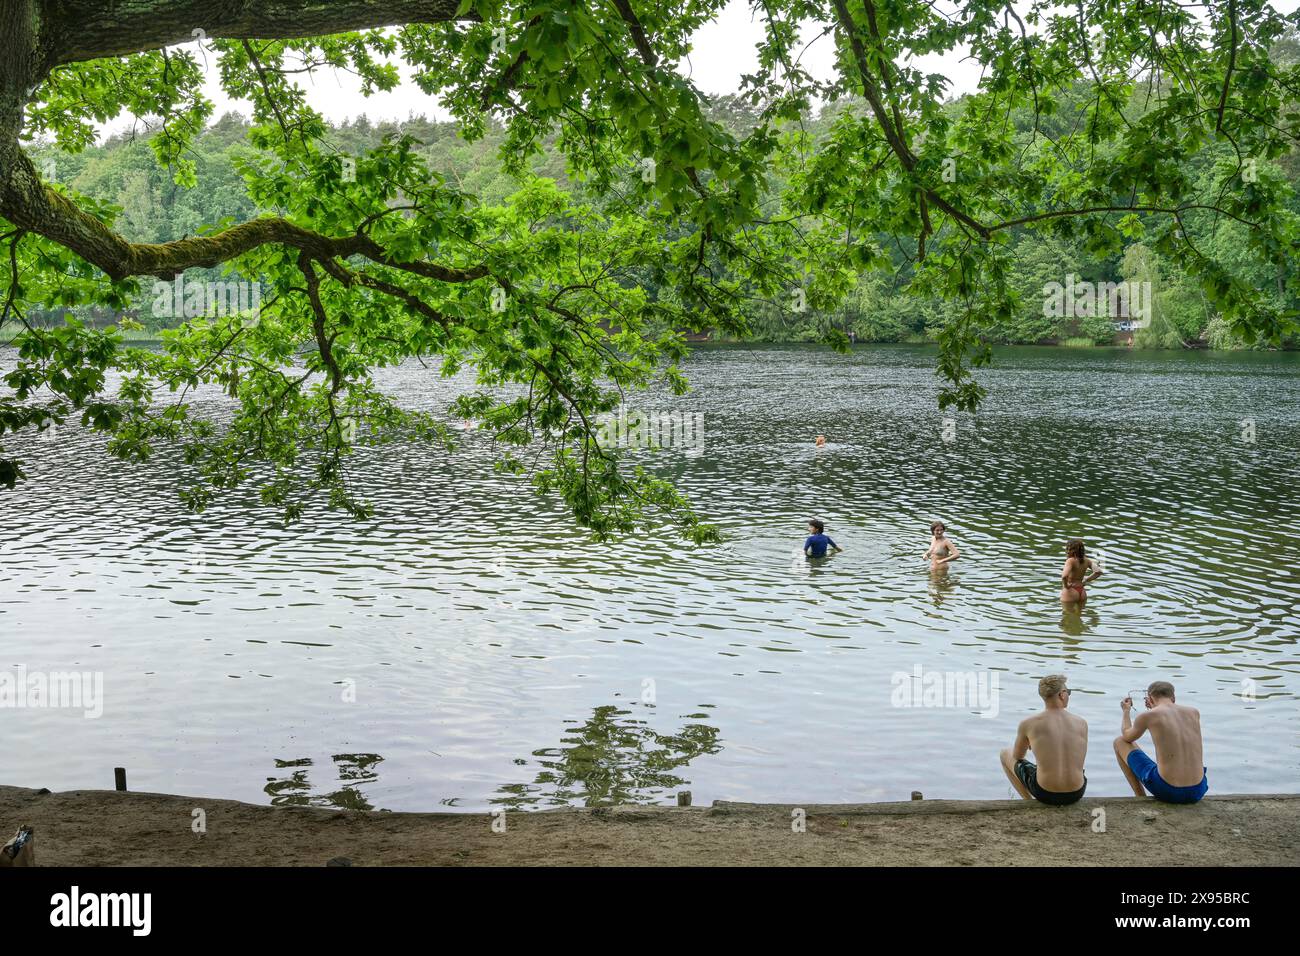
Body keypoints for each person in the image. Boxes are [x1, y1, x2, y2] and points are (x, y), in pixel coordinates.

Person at [999, 675, 1088, 805]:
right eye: (1068, 692)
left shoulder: (1028, 724)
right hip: (1077, 792)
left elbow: (1018, 756)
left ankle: (1028, 801)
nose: (1068, 695)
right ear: (1062, 694)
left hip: (1045, 793)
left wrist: (1031, 744)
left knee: (1005, 754)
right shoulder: (1081, 723)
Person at [1114, 682, 1208, 803]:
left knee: (1119, 742)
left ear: (1150, 698)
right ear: (1173, 697)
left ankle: (1140, 797)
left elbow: (1127, 736)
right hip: (1198, 790)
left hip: (1169, 791)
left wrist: (1126, 711)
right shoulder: (1194, 712)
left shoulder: (1148, 716)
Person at [1060, 538, 1101, 604]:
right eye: (1067, 549)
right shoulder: (1086, 560)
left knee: (1067, 611)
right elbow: (1098, 572)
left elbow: (1064, 576)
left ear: (1075, 550)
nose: (1067, 551)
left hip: (1070, 591)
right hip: (1082, 592)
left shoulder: (1070, 561)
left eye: (1070, 549)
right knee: (1082, 611)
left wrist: (1066, 586)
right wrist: (1086, 580)